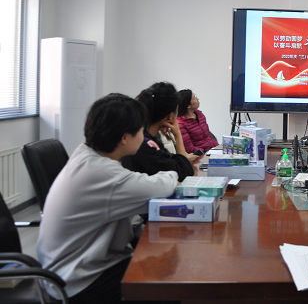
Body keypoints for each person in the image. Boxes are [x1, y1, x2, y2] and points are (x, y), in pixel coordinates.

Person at [36, 94, 178, 304]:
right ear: (124, 138)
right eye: (141, 130)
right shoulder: (101, 172)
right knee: (172, 285)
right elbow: (163, 186)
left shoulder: (87, 155)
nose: (144, 136)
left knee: (165, 263)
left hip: (72, 267)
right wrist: (173, 174)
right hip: (77, 282)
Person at [121, 82, 196, 181]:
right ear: (170, 116)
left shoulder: (145, 137)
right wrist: (178, 135)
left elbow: (175, 164)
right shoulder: (146, 145)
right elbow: (184, 172)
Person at [177, 89, 218, 154]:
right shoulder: (180, 123)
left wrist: (218, 148)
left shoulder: (200, 115)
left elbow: (209, 137)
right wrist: (205, 153)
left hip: (212, 151)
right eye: (194, 97)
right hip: (201, 155)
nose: (197, 99)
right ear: (188, 106)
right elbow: (189, 148)